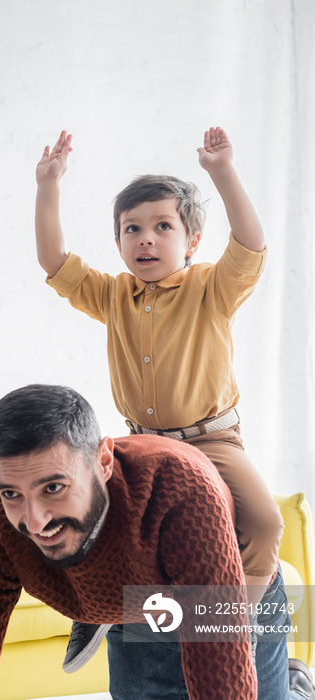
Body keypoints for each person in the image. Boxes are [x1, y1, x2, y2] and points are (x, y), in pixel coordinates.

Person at [35, 127, 284, 669]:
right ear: (120, 241)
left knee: (264, 523)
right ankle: (93, 610)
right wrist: (49, 185)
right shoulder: (112, 295)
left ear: (191, 242)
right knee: (89, 511)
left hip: (211, 438)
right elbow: (53, 259)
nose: (145, 239)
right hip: (141, 444)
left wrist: (221, 171)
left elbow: (251, 246)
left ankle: (229, 631)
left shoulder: (211, 288)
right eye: (132, 229)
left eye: (162, 227)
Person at [0, 384, 314, 700]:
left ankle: (294, 687)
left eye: (54, 487)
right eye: (12, 493)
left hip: (230, 589)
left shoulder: (179, 490)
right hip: (132, 602)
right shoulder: (0, 524)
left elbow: (220, 672)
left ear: (103, 461)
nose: (35, 520)